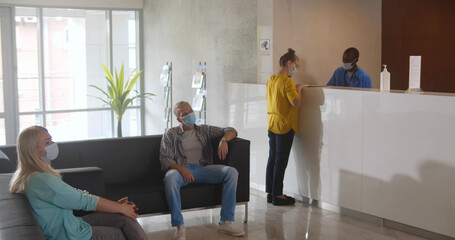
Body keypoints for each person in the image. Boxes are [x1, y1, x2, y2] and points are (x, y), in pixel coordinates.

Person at [9, 126, 148, 240]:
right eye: (47, 143)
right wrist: (120, 208)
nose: (53, 144)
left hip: (72, 224)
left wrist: (116, 206)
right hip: (69, 235)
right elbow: (82, 200)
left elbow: (78, 195)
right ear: (33, 151)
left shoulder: (32, 176)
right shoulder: (43, 181)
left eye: (51, 140)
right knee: (119, 233)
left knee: (125, 218)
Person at [160, 101, 245, 240]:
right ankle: (179, 226)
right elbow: (165, 160)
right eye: (185, 114)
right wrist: (182, 169)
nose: (190, 115)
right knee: (170, 178)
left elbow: (231, 130)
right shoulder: (170, 134)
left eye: (191, 111)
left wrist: (224, 140)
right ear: (179, 119)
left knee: (231, 172)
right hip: (181, 171)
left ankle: (226, 222)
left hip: (204, 169)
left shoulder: (204, 130)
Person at [266, 48, 304, 206]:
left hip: (272, 123)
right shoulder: (287, 81)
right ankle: (278, 195)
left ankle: (271, 192)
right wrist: (299, 90)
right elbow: (296, 103)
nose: (296, 68)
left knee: (273, 159)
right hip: (284, 126)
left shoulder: (272, 79)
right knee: (281, 161)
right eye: (296, 64)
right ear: (289, 63)